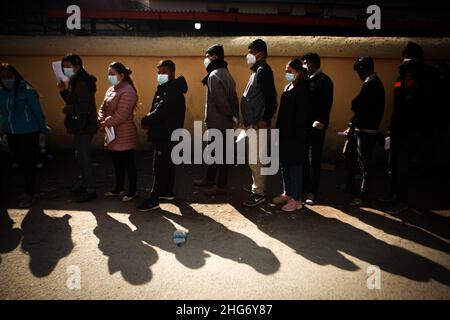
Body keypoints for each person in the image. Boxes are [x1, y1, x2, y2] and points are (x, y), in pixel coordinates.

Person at [384, 42, 441, 213]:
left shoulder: (426, 76)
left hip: (413, 130)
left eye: (409, 59)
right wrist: (391, 128)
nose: (405, 62)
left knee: (403, 166)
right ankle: (394, 196)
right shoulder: (401, 76)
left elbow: (418, 104)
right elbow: (398, 104)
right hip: (399, 129)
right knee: (393, 163)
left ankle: (403, 201)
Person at [138, 60, 187, 212]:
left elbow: (161, 110)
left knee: (159, 166)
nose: (159, 75)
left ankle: (154, 199)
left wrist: (146, 120)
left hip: (165, 134)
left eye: (162, 72)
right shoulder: (169, 88)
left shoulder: (170, 90)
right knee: (168, 164)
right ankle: (167, 192)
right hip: (168, 133)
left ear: (171, 72)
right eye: (158, 72)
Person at [192, 44, 239, 196]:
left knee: (220, 154)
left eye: (208, 56)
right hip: (225, 121)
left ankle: (221, 185)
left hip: (218, 121)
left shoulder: (214, 75)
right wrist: (233, 115)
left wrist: (230, 113)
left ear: (215, 57)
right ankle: (210, 178)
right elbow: (233, 97)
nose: (206, 59)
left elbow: (220, 101)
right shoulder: (226, 73)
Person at [0, 63, 48, 208]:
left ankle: (29, 193)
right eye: (3, 77)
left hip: (29, 132)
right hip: (11, 133)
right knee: (19, 162)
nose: (6, 79)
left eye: (9, 76)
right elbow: (3, 114)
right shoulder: (1, 93)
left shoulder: (27, 91)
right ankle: (26, 190)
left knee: (28, 163)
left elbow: (37, 112)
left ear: (15, 76)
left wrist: (43, 131)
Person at [343, 57, 385, 206]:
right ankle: (352, 187)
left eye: (358, 71)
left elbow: (357, 104)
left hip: (367, 130)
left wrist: (355, 109)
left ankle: (364, 193)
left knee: (364, 162)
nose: (358, 75)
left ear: (362, 69)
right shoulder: (372, 83)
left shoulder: (371, 83)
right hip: (362, 129)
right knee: (352, 156)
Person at [241, 39, 277, 207]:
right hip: (253, 124)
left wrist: (264, 119)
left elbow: (271, 99)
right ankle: (257, 188)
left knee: (256, 160)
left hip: (258, 124)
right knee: (254, 159)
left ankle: (259, 193)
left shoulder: (263, 71)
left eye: (251, 51)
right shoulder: (257, 71)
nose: (248, 55)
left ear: (261, 53)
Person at [58, 53, 98, 203]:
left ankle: (90, 189)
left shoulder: (81, 82)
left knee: (84, 157)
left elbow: (85, 107)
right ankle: (84, 184)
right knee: (80, 156)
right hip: (81, 125)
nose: (65, 69)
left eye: (68, 66)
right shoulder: (75, 80)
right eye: (64, 67)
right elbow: (72, 100)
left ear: (77, 66)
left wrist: (67, 110)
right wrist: (63, 91)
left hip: (85, 125)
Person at [273, 59, 311, 212]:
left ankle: (296, 199)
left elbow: (302, 118)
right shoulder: (287, 87)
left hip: (296, 137)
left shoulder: (302, 91)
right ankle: (287, 193)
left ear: (299, 73)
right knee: (285, 165)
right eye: (286, 71)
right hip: (284, 135)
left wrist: (296, 137)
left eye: (290, 71)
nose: (287, 74)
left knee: (295, 167)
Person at [98, 62, 138, 202]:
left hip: (124, 134)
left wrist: (105, 123)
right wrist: (101, 119)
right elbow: (102, 108)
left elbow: (122, 114)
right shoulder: (111, 89)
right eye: (109, 74)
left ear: (122, 75)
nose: (110, 77)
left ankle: (132, 191)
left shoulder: (128, 91)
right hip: (112, 133)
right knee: (117, 163)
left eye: (112, 74)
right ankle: (119, 188)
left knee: (128, 163)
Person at [301, 52, 334, 205]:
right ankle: (304, 187)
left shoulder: (324, 81)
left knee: (314, 160)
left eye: (305, 63)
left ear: (313, 64)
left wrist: (319, 123)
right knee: (304, 160)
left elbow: (325, 106)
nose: (304, 65)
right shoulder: (306, 80)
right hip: (304, 127)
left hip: (316, 128)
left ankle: (313, 192)